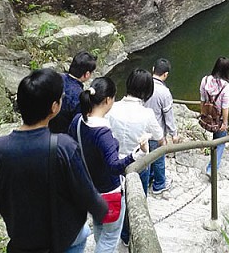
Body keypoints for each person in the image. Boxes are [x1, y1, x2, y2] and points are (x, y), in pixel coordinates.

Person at [0, 68, 108, 253]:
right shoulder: (64, 147)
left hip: (21, 240)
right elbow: (87, 196)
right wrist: (103, 210)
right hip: (61, 241)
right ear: (54, 107)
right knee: (83, 232)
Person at [69, 76, 149, 253]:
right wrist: (138, 153)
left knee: (100, 228)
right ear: (107, 100)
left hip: (88, 187)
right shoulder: (102, 133)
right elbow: (113, 166)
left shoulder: (77, 121)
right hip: (108, 193)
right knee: (110, 238)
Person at [108, 68, 164, 245]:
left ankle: (113, 230)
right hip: (138, 162)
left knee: (117, 197)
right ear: (147, 90)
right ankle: (127, 235)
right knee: (136, 199)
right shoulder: (146, 114)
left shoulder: (113, 108)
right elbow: (159, 136)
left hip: (114, 160)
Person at [144, 57, 179, 194]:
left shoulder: (142, 84)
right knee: (158, 159)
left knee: (145, 159)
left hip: (141, 130)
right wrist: (174, 134)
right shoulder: (164, 92)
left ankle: (148, 180)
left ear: (153, 69)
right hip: (156, 133)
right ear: (165, 75)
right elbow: (168, 117)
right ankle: (159, 184)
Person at [49, 50, 97, 134]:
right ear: (87, 74)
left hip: (46, 127)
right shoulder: (79, 96)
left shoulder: (56, 79)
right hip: (64, 137)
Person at [199, 56, 229, 175]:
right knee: (220, 142)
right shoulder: (226, 86)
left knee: (215, 140)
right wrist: (225, 122)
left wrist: (203, 114)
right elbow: (225, 107)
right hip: (218, 119)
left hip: (208, 116)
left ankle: (211, 162)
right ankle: (211, 169)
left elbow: (202, 100)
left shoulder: (205, 80)